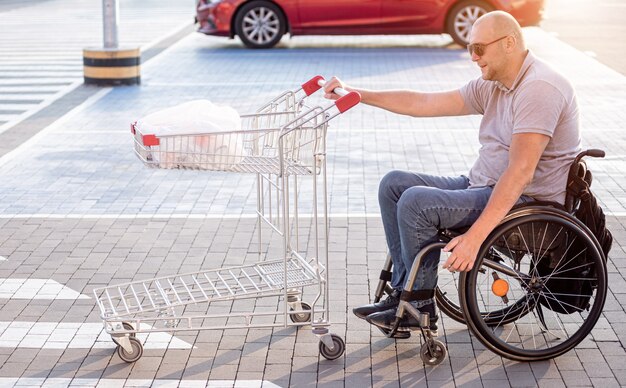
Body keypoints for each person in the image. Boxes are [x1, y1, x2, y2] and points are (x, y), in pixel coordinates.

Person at [322, 11, 581, 335]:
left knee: (417, 202)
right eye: (470, 47)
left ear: (509, 43)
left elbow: (520, 173)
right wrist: (358, 94)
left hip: (526, 202)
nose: (473, 57)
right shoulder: (496, 84)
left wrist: (474, 239)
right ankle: (402, 294)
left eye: (479, 48)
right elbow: (424, 102)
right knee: (394, 184)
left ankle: (417, 303)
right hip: (482, 185)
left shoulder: (539, 88)